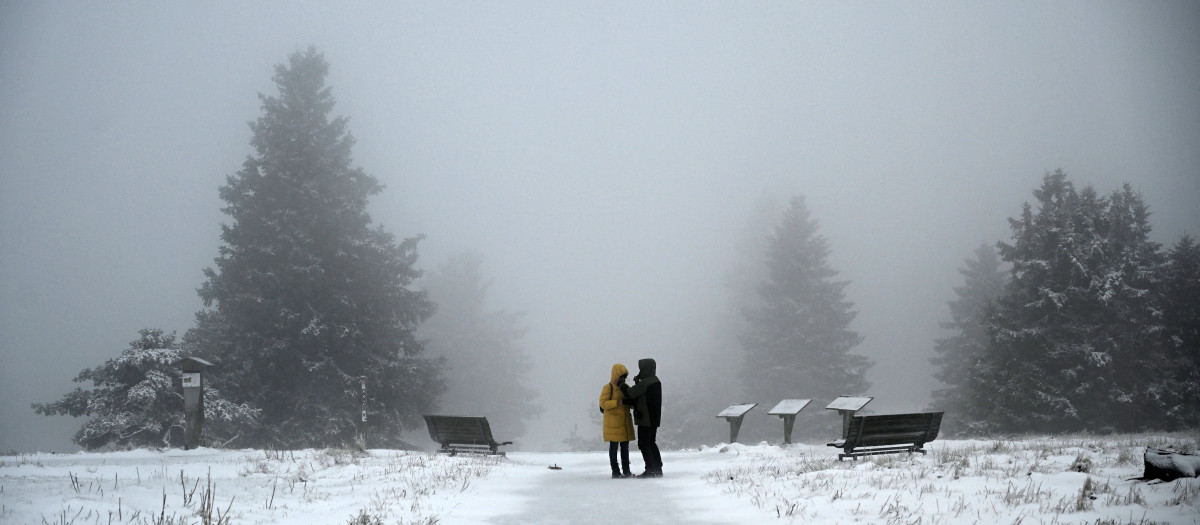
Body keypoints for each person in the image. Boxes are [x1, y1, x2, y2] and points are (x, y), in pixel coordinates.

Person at [621, 358, 662, 478]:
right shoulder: (655, 380)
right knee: (651, 442)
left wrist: (622, 385)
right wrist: (638, 382)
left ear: (645, 369)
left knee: (643, 444)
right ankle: (657, 468)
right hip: (654, 418)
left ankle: (650, 469)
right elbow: (641, 393)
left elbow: (631, 393)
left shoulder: (645, 382)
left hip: (646, 418)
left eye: (641, 369)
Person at [599, 363, 635, 478]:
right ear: (615, 376)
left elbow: (634, 403)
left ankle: (626, 471)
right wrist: (617, 402)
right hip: (613, 425)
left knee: (625, 448)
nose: (623, 379)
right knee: (614, 447)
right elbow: (602, 403)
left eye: (624, 377)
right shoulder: (608, 388)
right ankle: (615, 471)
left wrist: (629, 400)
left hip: (624, 424)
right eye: (621, 377)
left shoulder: (626, 387)